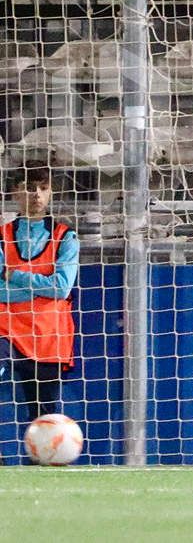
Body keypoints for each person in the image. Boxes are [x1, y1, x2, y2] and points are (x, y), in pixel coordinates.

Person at [0, 163, 79, 457]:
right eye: (29, 187)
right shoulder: (2, 235)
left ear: (51, 192)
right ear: (14, 192)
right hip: (7, 328)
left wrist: (14, 275)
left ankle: (45, 462)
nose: (36, 194)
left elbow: (62, 288)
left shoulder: (65, 237)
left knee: (42, 411)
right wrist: (38, 285)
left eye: (43, 188)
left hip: (48, 335)